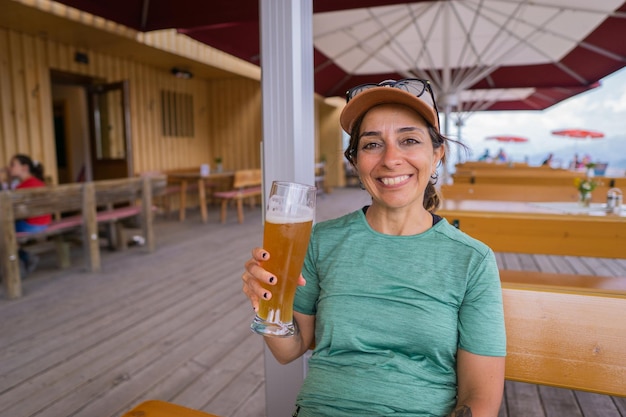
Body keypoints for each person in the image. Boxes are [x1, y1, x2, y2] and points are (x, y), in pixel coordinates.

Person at [242, 79, 506, 417]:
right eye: (371, 145)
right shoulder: (320, 241)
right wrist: (266, 308)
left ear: (437, 154)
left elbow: (479, 399)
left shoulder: (472, 259)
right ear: (355, 162)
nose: (391, 159)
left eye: (409, 140)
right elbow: (288, 349)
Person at [8, 154, 51, 275]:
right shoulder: (39, 182)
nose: (10, 167)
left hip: (31, 225)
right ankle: (23, 258)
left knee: (3, 231)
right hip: (44, 223)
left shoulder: (21, 187)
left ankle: (24, 258)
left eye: (13, 164)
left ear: (25, 168)